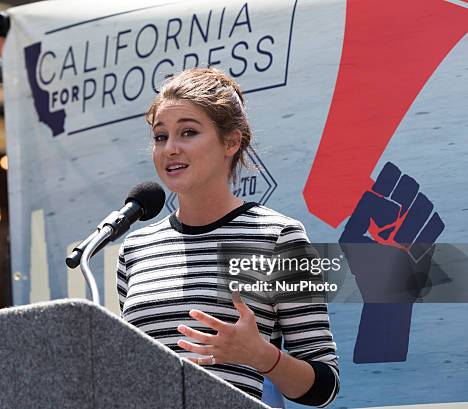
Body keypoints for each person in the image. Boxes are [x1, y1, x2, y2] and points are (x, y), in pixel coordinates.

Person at [116, 67, 339, 407]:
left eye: (188, 132)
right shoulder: (135, 249)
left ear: (231, 142)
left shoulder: (278, 237)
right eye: (161, 137)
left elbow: (325, 385)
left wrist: (262, 356)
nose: (170, 149)